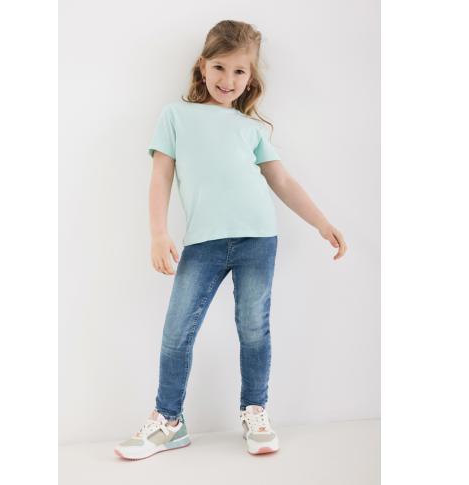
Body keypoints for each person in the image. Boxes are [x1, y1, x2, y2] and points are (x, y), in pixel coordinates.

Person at [114, 19, 347, 461]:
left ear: (251, 77)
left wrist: (322, 223)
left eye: (240, 71)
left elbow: (281, 181)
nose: (228, 80)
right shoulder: (175, 116)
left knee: (254, 328)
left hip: (258, 237)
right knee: (177, 331)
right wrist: (158, 233)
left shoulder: (251, 128)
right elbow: (160, 177)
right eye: (220, 68)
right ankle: (169, 421)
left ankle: (255, 411)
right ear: (203, 66)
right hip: (202, 242)